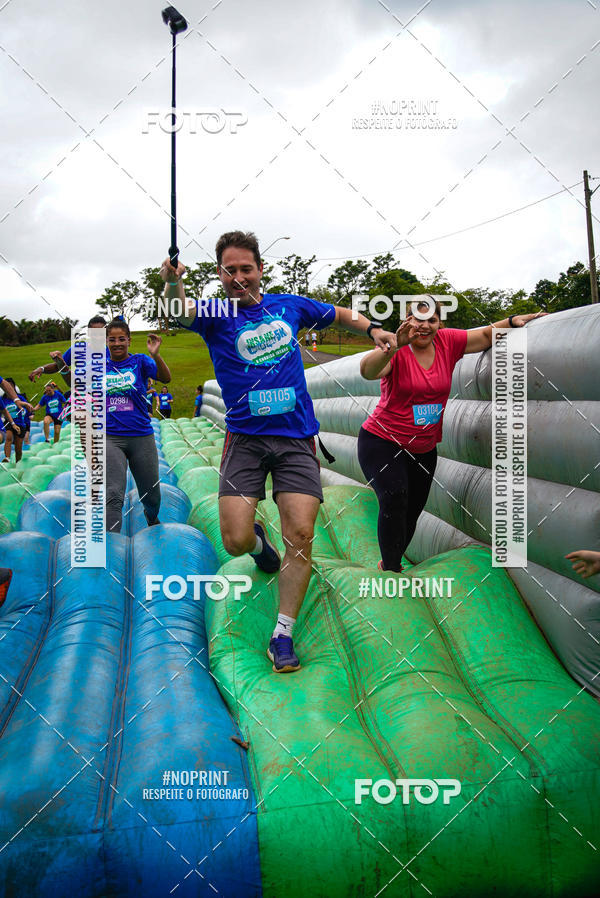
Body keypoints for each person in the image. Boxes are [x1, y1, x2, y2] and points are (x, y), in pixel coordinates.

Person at [159, 230, 396, 673]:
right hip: (244, 440)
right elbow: (179, 312)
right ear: (220, 274)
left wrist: (374, 328)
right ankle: (257, 545)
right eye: (230, 270)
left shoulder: (290, 305)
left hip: (295, 439)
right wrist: (173, 281)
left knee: (302, 536)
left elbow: (341, 315)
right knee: (234, 539)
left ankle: (282, 634)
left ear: (260, 269)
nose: (239, 277)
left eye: (246, 268)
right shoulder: (215, 314)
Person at [358, 301, 545, 572]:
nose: (424, 326)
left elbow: (482, 336)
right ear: (407, 320)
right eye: (417, 319)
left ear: (439, 324)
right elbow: (368, 371)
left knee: (413, 509)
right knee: (395, 497)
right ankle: (390, 569)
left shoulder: (447, 342)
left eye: (431, 320)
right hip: (382, 442)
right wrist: (393, 346)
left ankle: (391, 561)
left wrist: (514, 320)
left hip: (423, 446)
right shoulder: (395, 347)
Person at [104, 319, 171, 533]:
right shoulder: (99, 366)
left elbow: (165, 377)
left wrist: (156, 355)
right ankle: (111, 547)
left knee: (151, 495)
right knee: (113, 494)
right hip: (109, 437)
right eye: (112, 339)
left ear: (129, 341)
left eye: (121, 339)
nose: (117, 343)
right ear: (106, 341)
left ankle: (151, 517)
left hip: (141, 435)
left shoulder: (141, 361)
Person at [29, 315, 107, 387]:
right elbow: (58, 366)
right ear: (89, 332)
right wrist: (42, 369)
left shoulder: (112, 351)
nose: (98, 337)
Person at [1, 379, 28, 463]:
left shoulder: (19, 398)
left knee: (18, 449)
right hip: (8, 422)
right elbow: (3, 411)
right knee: (8, 437)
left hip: (20, 423)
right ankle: (7, 458)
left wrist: (27, 408)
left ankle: (18, 462)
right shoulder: (3, 399)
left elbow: (26, 408)